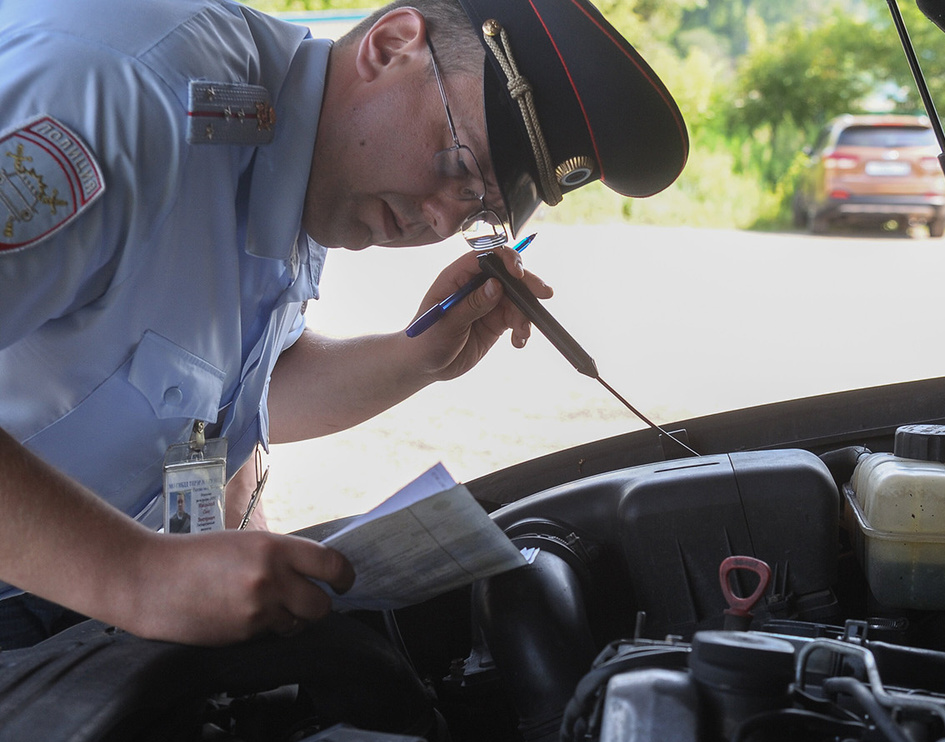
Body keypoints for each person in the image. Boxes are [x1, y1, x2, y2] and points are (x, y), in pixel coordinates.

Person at [0, 0, 687, 649]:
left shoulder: (292, 159)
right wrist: (136, 576)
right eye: (459, 165)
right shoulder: (128, 98)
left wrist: (418, 356)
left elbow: (227, 395)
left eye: (478, 211)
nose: (444, 221)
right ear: (392, 46)